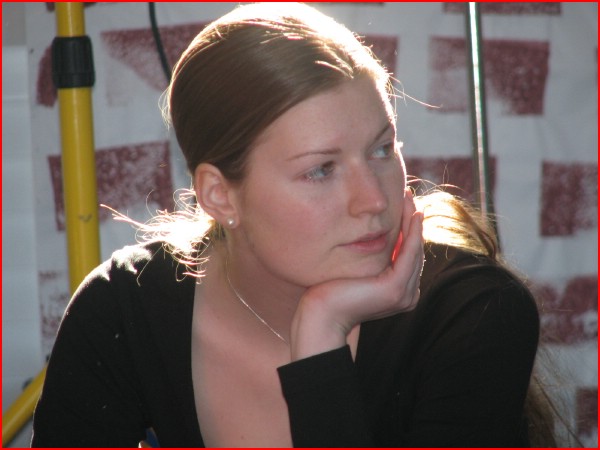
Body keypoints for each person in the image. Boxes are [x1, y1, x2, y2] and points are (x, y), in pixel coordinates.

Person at [32, 2, 557, 447]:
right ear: (220, 195)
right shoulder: (125, 310)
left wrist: (321, 341)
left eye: (382, 149)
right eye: (321, 170)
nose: (374, 199)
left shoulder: (471, 313)